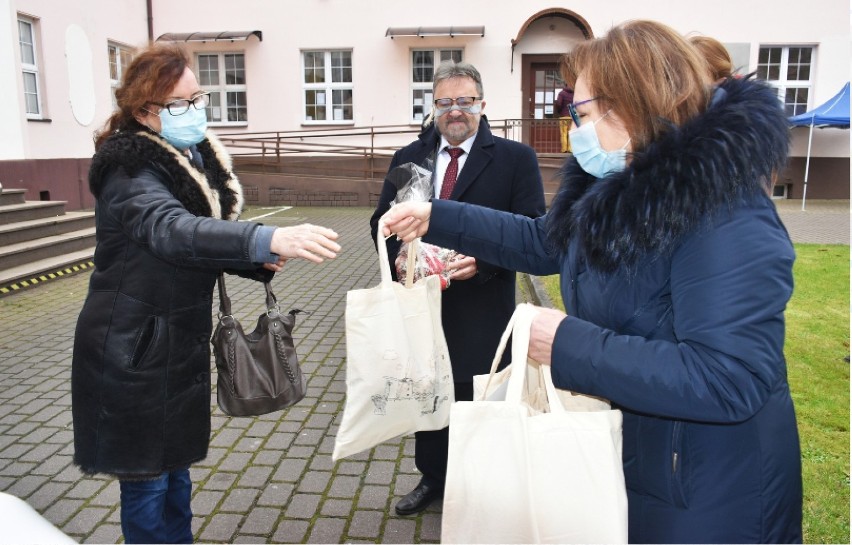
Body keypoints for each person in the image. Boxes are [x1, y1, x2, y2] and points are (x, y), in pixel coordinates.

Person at [382, 20, 802, 543]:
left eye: (579, 114)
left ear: (628, 105)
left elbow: (728, 378)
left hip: (708, 493)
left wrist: (567, 344)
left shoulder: (725, 209)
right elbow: (542, 241)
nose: (572, 129)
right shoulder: (619, 183)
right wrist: (436, 215)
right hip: (643, 462)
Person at [72, 44, 341, 544]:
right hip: (132, 349)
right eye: (179, 103)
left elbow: (193, 244)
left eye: (198, 97)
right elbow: (171, 229)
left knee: (176, 475)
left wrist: (249, 258)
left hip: (172, 342)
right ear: (142, 111)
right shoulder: (128, 170)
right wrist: (264, 237)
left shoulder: (184, 157)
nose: (194, 111)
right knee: (148, 483)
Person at [369, 61, 546, 516]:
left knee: (477, 396)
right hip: (423, 303)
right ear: (433, 108)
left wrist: (481, 261)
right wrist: (403, 256)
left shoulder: (514, 159)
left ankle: (481, 485)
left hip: (483, 303)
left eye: (465, 101)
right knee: (430, 395)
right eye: (445, 103)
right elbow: (380, 222)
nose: (455, 111)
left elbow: (531, 232)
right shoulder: (409, 156)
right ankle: (433, 479)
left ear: (482, 105)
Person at [554, 82, 574, 152]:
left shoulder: (562, 93)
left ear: (565, 85)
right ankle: (570, 149)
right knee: (571, 133)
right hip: (572, 117)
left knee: (563, 133)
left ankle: (564, 149)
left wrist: (559, 111)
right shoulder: (574, 94)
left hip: (564, 116)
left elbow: (559, 104)